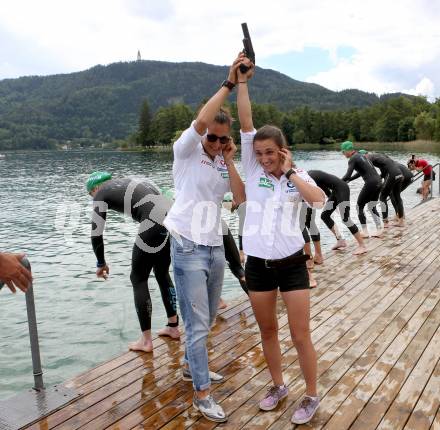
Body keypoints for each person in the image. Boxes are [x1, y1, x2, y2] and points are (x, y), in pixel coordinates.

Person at [237, 54, 325, 425]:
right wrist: (241, 82)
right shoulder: (253, 167)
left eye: (270, 153)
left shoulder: (296, 175)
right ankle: (278, 385)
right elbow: (246, 122)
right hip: (257, 264)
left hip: (291, 263)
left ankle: (311, 394)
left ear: (283, 151)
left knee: (300, 333)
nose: (264, 158)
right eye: (259, 153)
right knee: (268, 330)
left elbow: (318, 200)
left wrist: (289, 172)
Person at [163, 57, 246, 423]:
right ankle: (201, 394)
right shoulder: (187, 151)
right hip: (186, 243)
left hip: (213, 245)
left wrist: (229, 160)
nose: (213, 142)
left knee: (209, 317)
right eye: (210, 136)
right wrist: (229, 84)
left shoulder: (219, 161)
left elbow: (240, 197)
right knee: (196, 325)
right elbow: (200, 121)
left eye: (221, 139)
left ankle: (188, 367)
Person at [87, 172, 180, 353]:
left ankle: (146, 341)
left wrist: (101, 263)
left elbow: (96, 233)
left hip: (153, 221)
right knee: (162, 273)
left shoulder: (100, 193)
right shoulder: (131, 181)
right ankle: (173, 327)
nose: (93, 198)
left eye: (91, 194)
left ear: (94, 188)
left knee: (138, 278)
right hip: (170, 220)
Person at [308, 170, 367, 256]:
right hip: (336, 191)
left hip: (342, 189)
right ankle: (340, 241)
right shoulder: (309, 176)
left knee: (345, 218)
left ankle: (362, 245)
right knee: (325, 216)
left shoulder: (308, 177)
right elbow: (325, 190)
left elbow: (318, 194)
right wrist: (333, 204)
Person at [341, 141, 383, 238]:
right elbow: (361, 172)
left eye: (343, 152)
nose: (343, 154)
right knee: (372, 206)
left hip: (371, 183)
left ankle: (365, 231)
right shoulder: (361, 155)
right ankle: (380, 229)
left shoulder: (352, 159)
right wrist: (349, 180)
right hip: (379, 181)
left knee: (359, 206)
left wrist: (338, 182)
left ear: (348, 150)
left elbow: (347, 175)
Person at [362, 153, 404, 228]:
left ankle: (385, 222)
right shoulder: (380, 155)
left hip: (392, 174)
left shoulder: (369, 158)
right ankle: (401, 221)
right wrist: (380, 178)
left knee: (382, 197)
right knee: (397, 196)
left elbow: (370, 171)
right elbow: (385, 170)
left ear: (365, 156)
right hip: (400, 173)